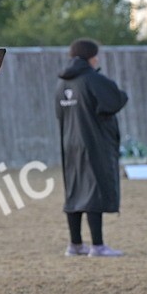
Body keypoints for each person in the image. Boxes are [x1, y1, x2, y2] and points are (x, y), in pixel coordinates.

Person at [55, 38, 129, 257]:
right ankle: (98, 245)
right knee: (94, 191)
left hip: (69, 143)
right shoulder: (92, 78)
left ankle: (75, 244)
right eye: (96, 55)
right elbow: (116, 100)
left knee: (74, 191)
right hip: (93, 142)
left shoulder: (61, 83)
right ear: (90, 57)